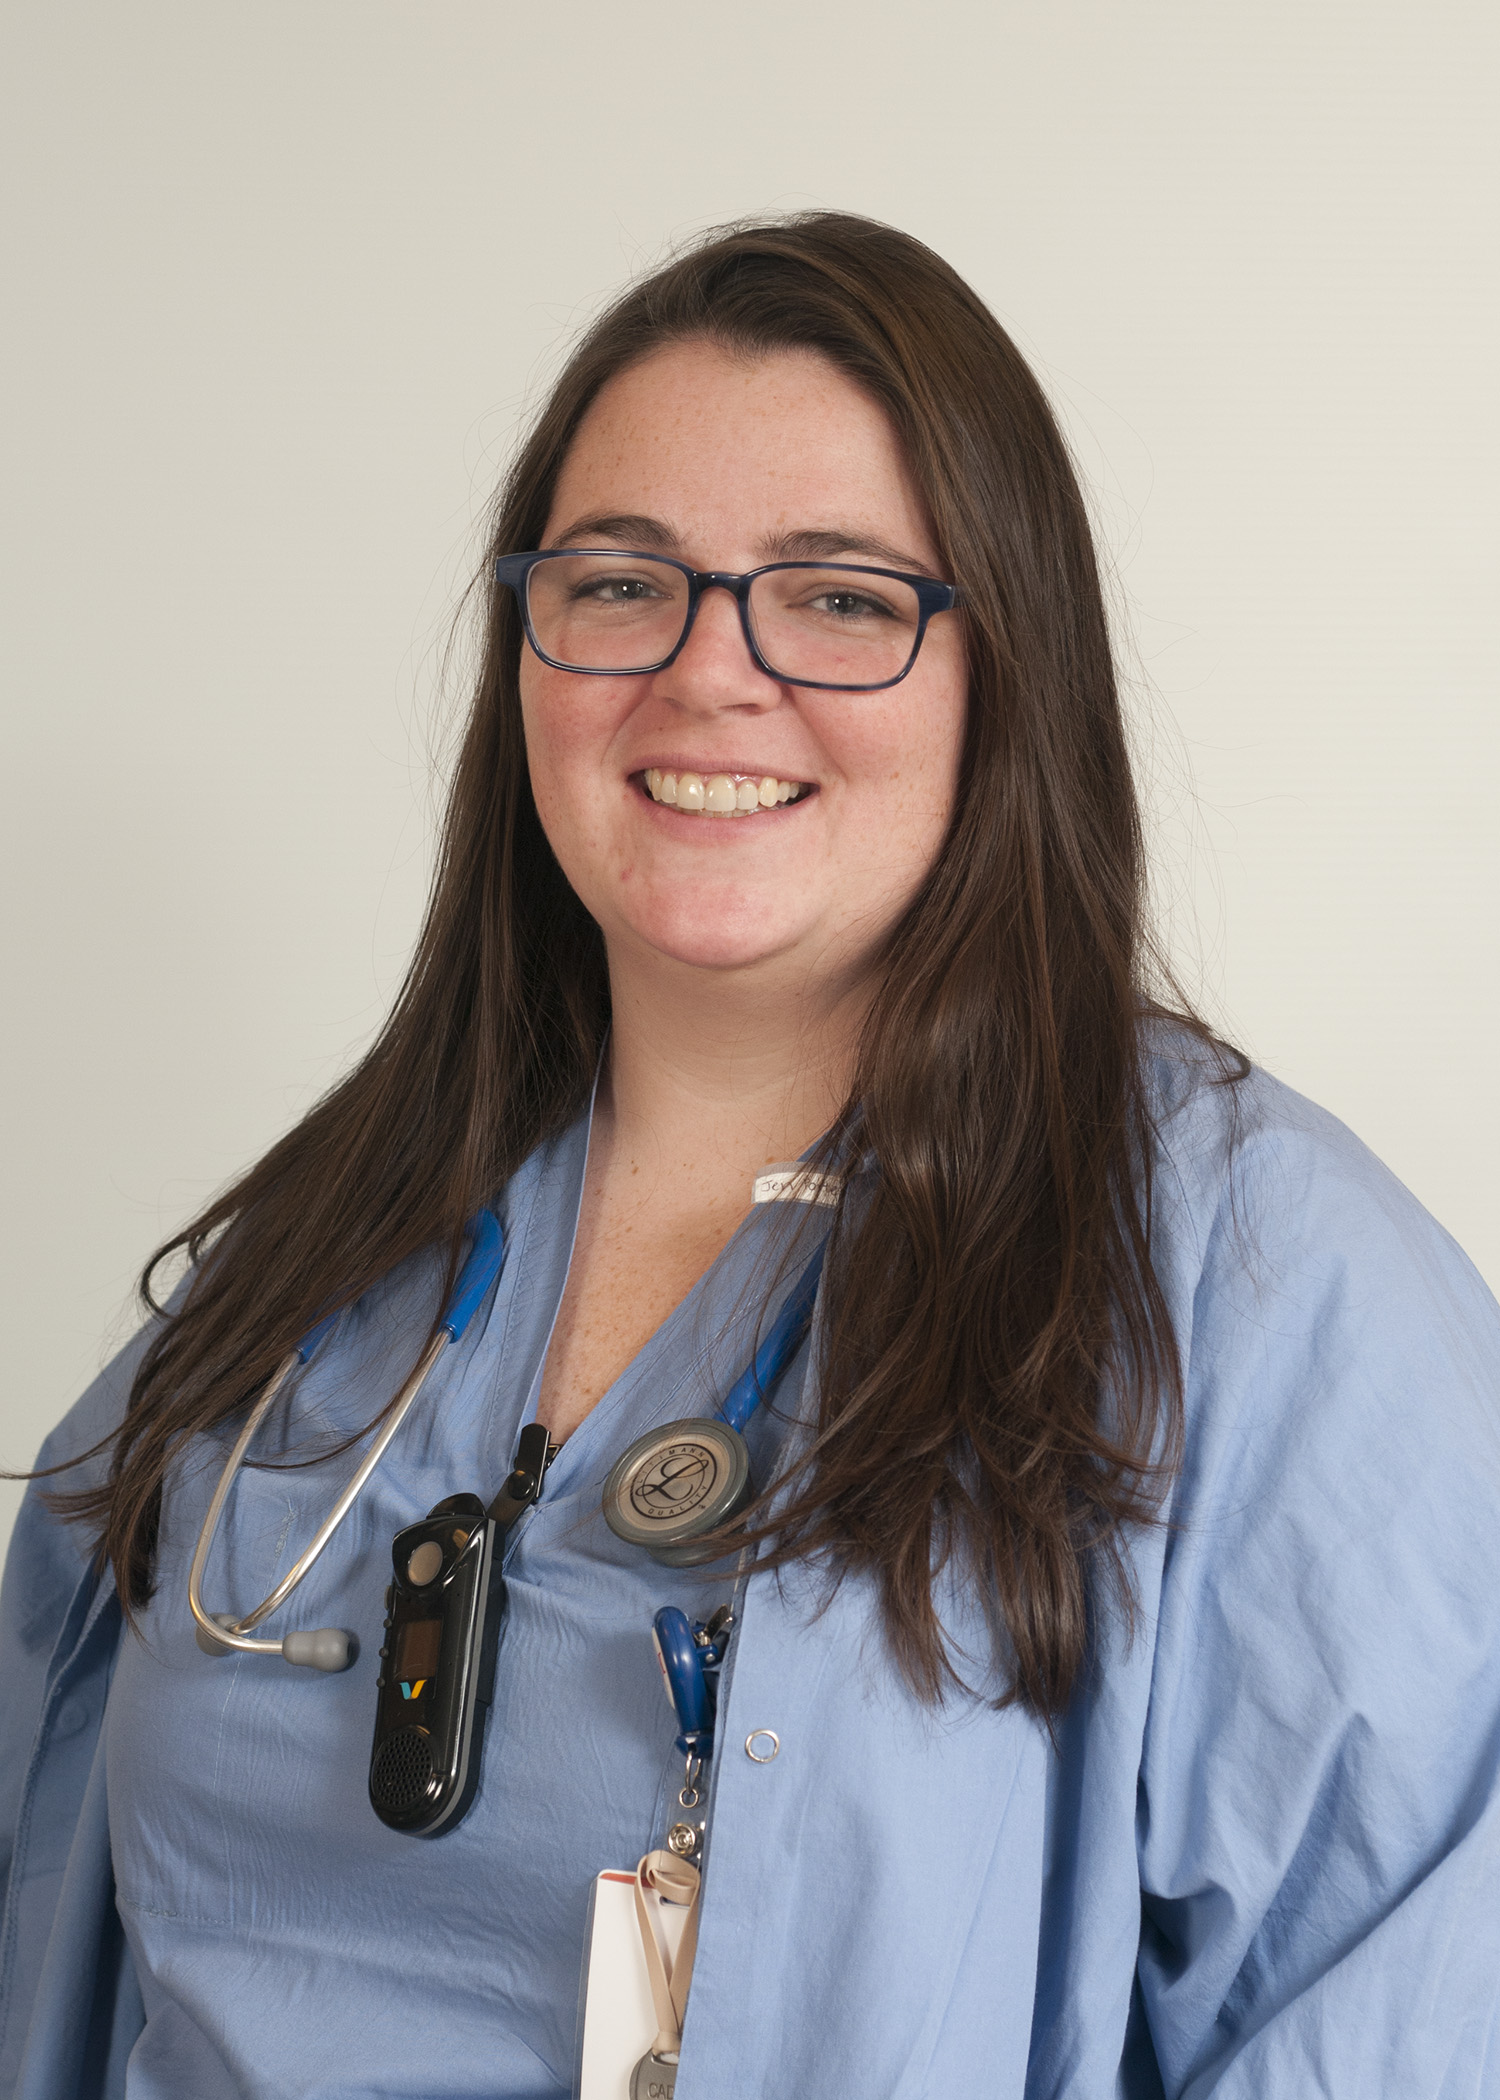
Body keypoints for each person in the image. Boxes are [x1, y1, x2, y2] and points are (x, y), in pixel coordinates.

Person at [2, 212, 1497, 2100]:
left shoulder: (1252, 1275)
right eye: (623, 582)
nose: (710, 672)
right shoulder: (330, 1245)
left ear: (1008, 670)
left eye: (842, 599)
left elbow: (1422, 2010)